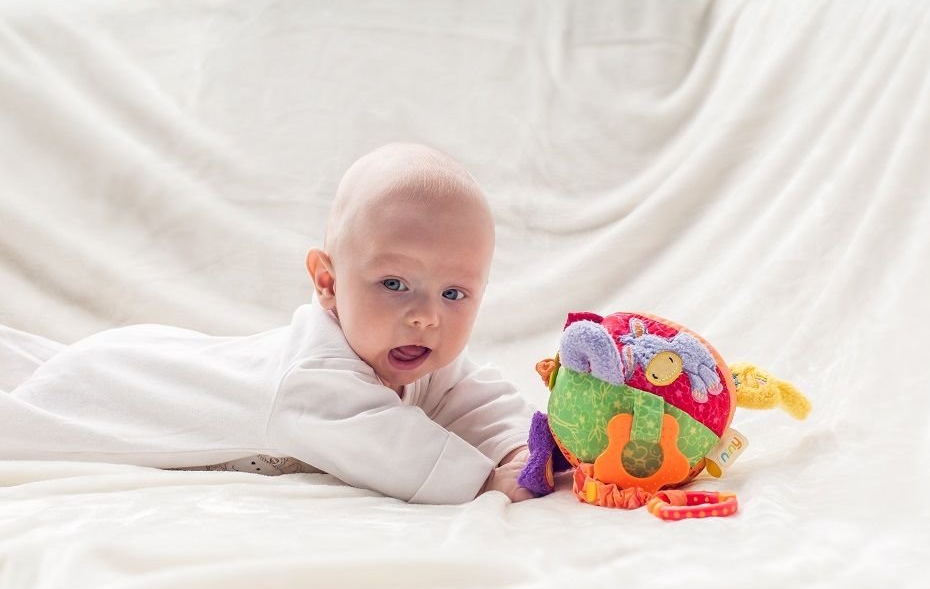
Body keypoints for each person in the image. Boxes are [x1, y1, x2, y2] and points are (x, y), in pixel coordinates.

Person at [0, 143, 535, 504]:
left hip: (159, 359)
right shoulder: (313, 378)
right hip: (116, 390)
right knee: (23, 418)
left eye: (454, 293)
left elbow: (471, 396)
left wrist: (521, 448)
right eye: (394, 284)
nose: (425, 315)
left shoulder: (413, 347)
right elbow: (391, 448)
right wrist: (487, 480)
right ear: (328, 282)